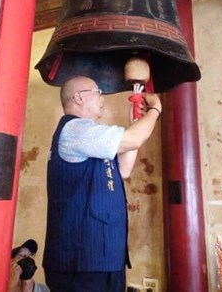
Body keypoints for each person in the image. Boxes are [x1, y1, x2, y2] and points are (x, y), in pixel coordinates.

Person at [43, 76, 162, 292]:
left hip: (103, 258)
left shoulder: (93, 137)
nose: (102, 98)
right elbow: (133, 139)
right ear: (79, 98)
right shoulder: (75, 130)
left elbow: (123, 169)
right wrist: (155, 109)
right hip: (80, 262)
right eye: (98, 91)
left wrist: (136, 122)